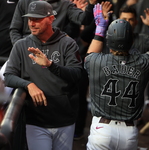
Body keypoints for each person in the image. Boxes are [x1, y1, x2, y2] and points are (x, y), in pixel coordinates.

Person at [84, 3, 149, 150]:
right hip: (129, 132)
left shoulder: (96, 61)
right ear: (132, 42)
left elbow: (89, 54)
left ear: (109, 41)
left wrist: (99, 30)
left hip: (102, 129)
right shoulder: (143, 62)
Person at [3, 1, 82, 150]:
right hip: (36, 121)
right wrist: (28, 85)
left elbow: (77, 74)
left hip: (64, 119)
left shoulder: (67, 43)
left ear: (51, 19)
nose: (32, 23)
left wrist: (51, 65)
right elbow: (8, 76)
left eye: (37, 19)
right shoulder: (21, 45)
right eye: (30, 19)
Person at [9, 0, 99, 45]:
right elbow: (14, 30)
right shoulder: (24, 1)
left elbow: (84, 20)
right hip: (27, 46)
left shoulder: (65, 4)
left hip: (54, 49)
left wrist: (91, 4)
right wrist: (20, 48)